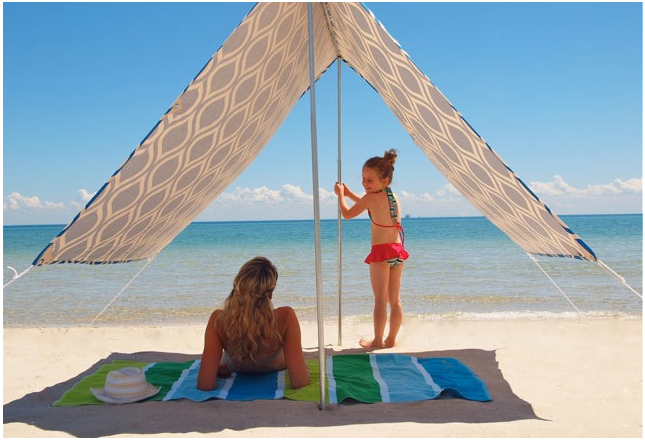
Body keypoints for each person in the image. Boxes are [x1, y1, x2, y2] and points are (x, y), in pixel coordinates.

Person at [197, 257, 310, 390]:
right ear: (271, 294)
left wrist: (212, 370)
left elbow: (205, 385)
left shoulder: (219, 319)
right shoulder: (285, 317)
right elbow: (300, 382)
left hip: (235, 370)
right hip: (276, 367)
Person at [334, 149, 409, 349]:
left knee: (380, 300)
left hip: (381, 253)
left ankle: (377, 341)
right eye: (363, 179)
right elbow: (370, 206)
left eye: (370, 180)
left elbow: (348, 214)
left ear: (384, 180)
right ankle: (391, 339)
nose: (365, 184)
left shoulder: (370, 198)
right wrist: (350, 193)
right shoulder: (391, 195)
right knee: (394, 300)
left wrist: (341, 196)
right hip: (397, 251)